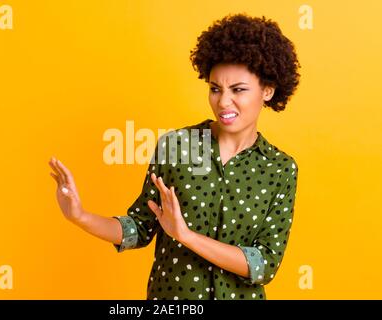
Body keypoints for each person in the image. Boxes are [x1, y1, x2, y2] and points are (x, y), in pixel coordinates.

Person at [49, 13, 301, 300]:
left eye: (238, 90)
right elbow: (139, 228)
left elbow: (263, 265)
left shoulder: (280, 169)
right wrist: (80, 216)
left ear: (268, 90)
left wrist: (187, 236)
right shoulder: (176, 147)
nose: (223, 101)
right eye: (215, 89)